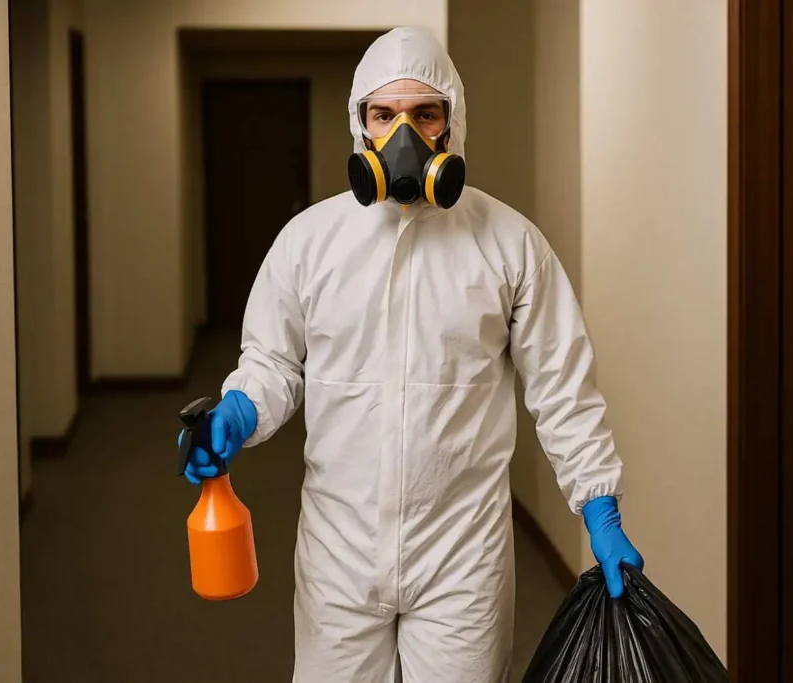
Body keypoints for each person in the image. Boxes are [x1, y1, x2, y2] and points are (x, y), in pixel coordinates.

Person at [179, 26, 643, 683]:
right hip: (339, 550)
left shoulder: (509, 243)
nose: (404, 134)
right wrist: (239, 409)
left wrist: (598, 503)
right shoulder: (309, 242)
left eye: (424, 113)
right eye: (384, 114)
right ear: (359, 125)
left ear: (452, 124)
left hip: (463, 554)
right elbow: (273, 363)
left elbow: (562, 385)